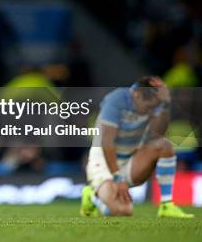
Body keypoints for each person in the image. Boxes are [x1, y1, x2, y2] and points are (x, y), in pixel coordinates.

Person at [80, 76, 193, 218]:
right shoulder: (116, 100)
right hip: (104, 163)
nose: (150, 111)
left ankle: (166, 205)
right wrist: (117, 178)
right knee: (122, 211)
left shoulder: (153, 103)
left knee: (164, 145)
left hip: (131, 160)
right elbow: (107, 142)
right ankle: (92, 196)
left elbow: (158, 134)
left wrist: (164, 105)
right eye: (149, 107)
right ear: (137, 95)